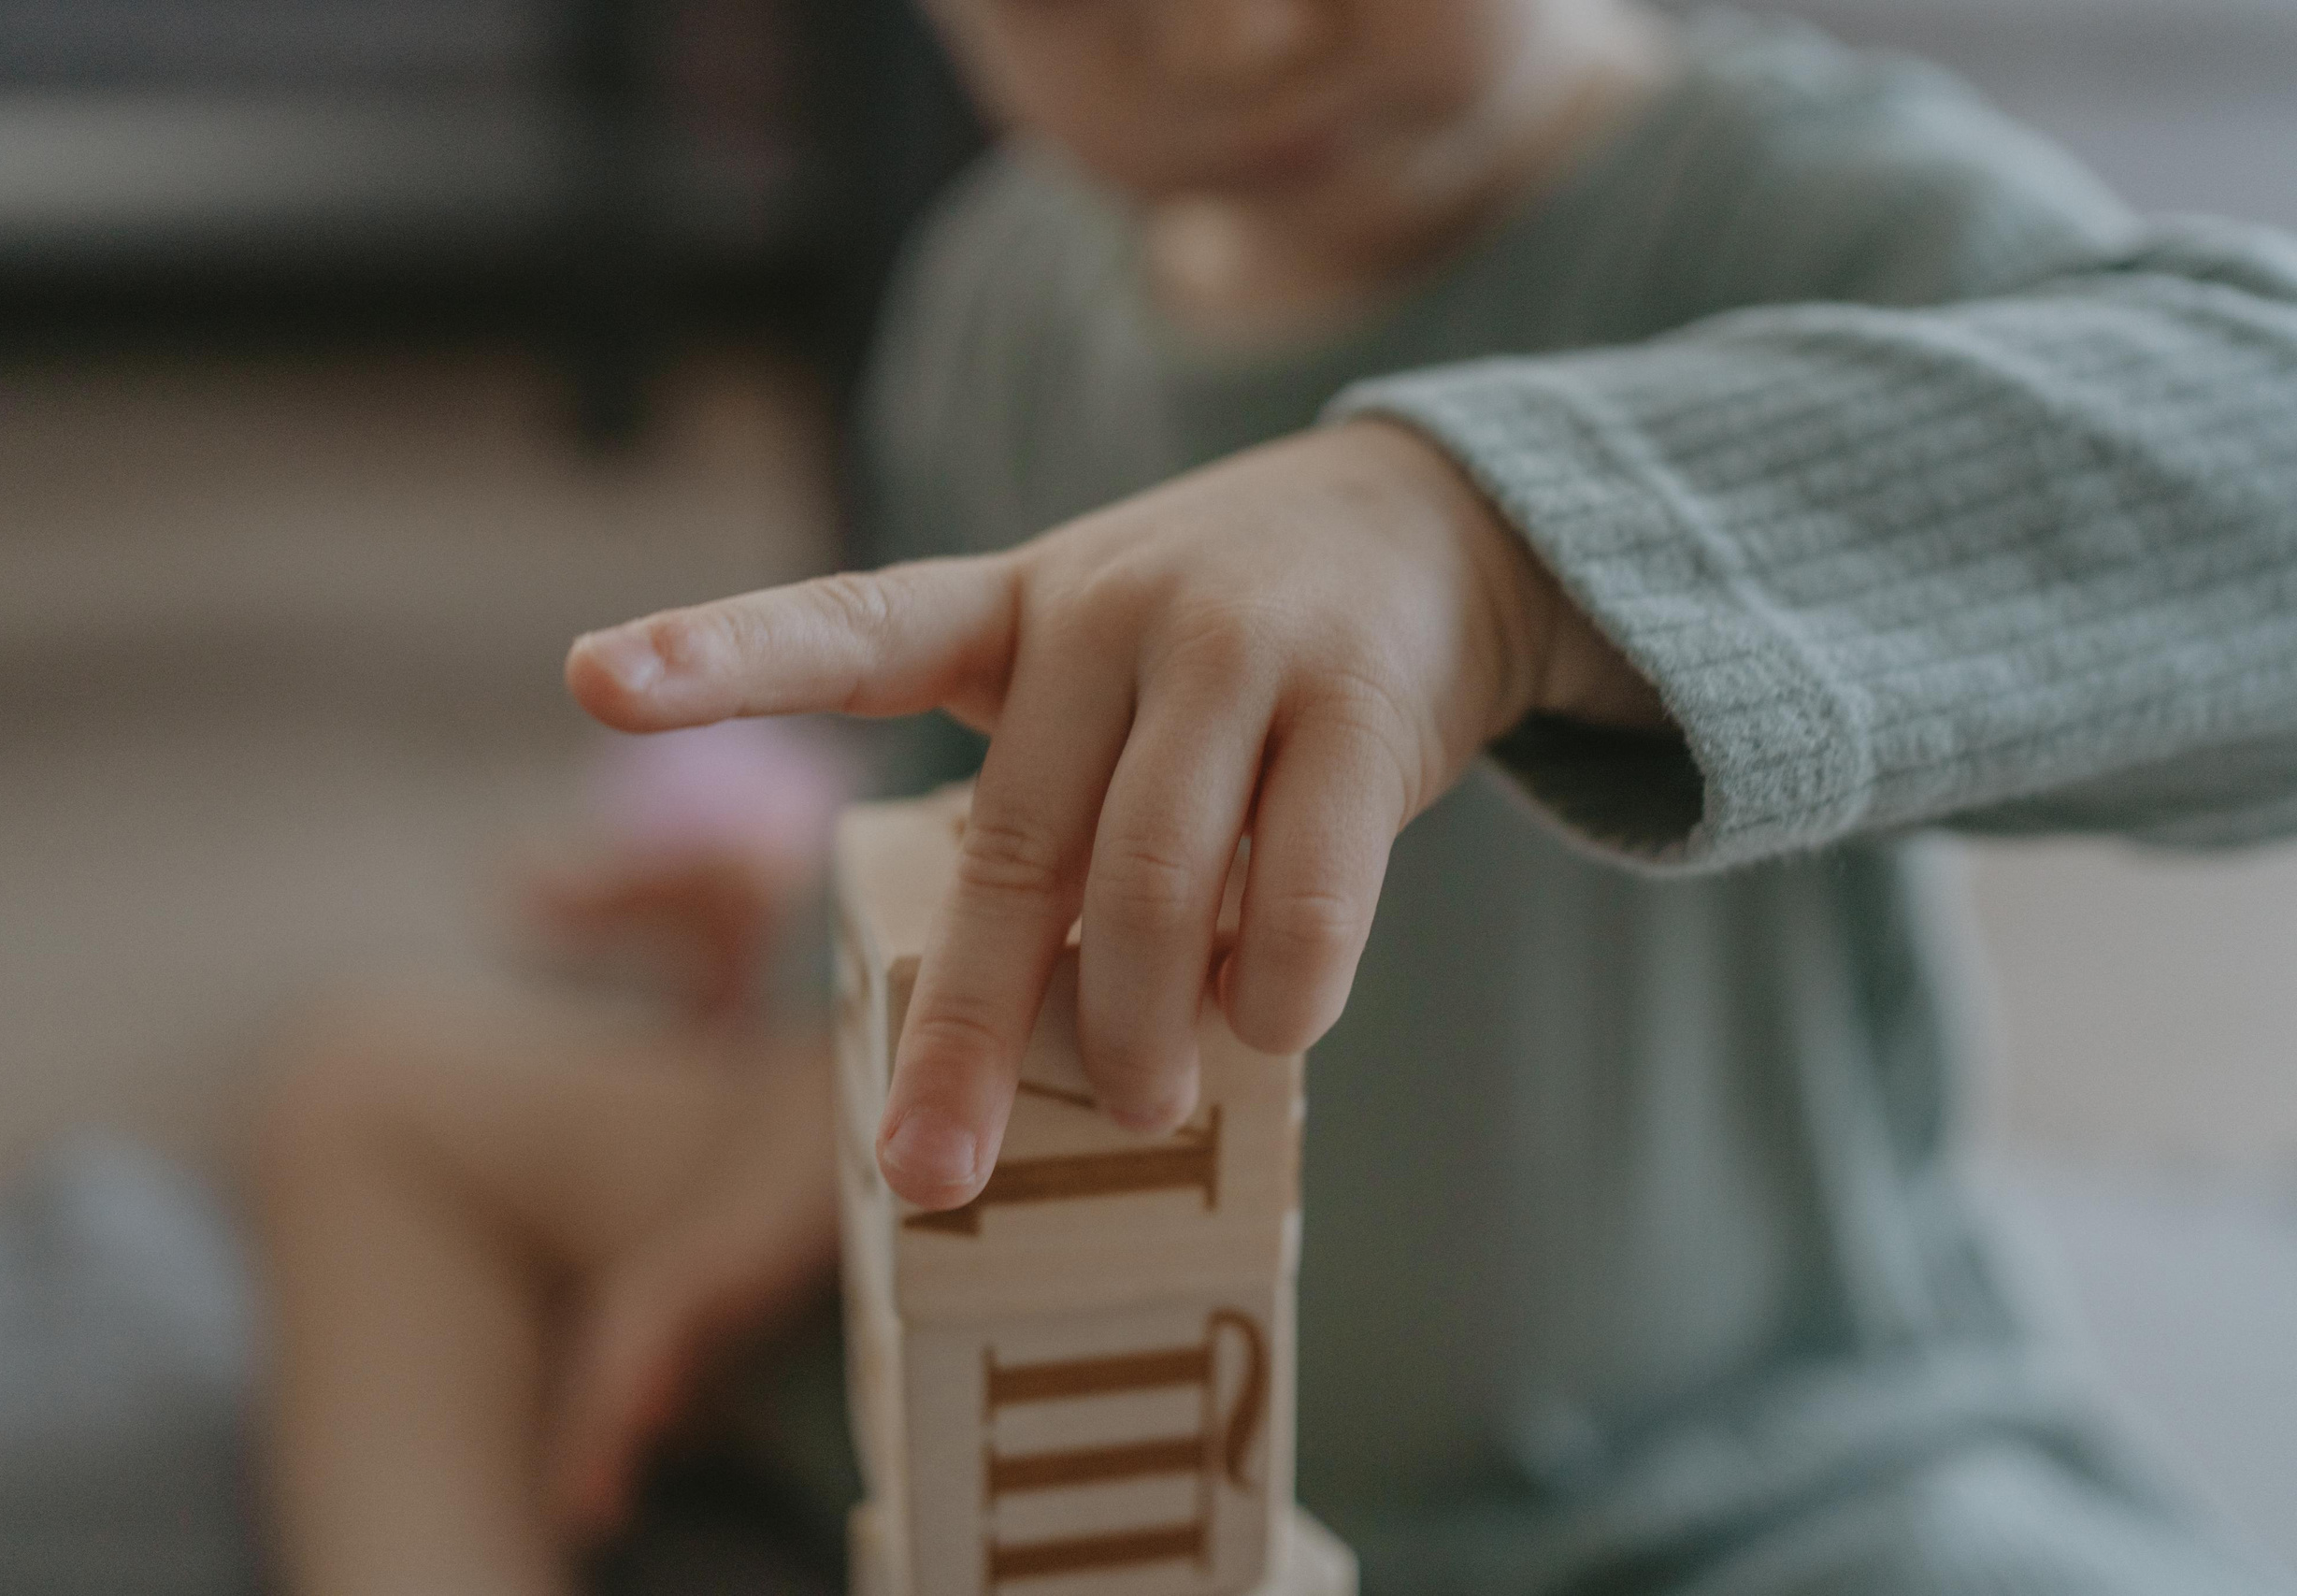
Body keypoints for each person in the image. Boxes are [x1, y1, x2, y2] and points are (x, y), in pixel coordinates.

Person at [270, 0, 2297, 1591]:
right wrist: (818, 1001)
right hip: (1078, 1398)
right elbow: (956, 816)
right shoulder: (995, 287)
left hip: (1715, 1480)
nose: (1232, 35)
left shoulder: (1803, 213)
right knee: (369, 1097)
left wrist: (1490, 546)